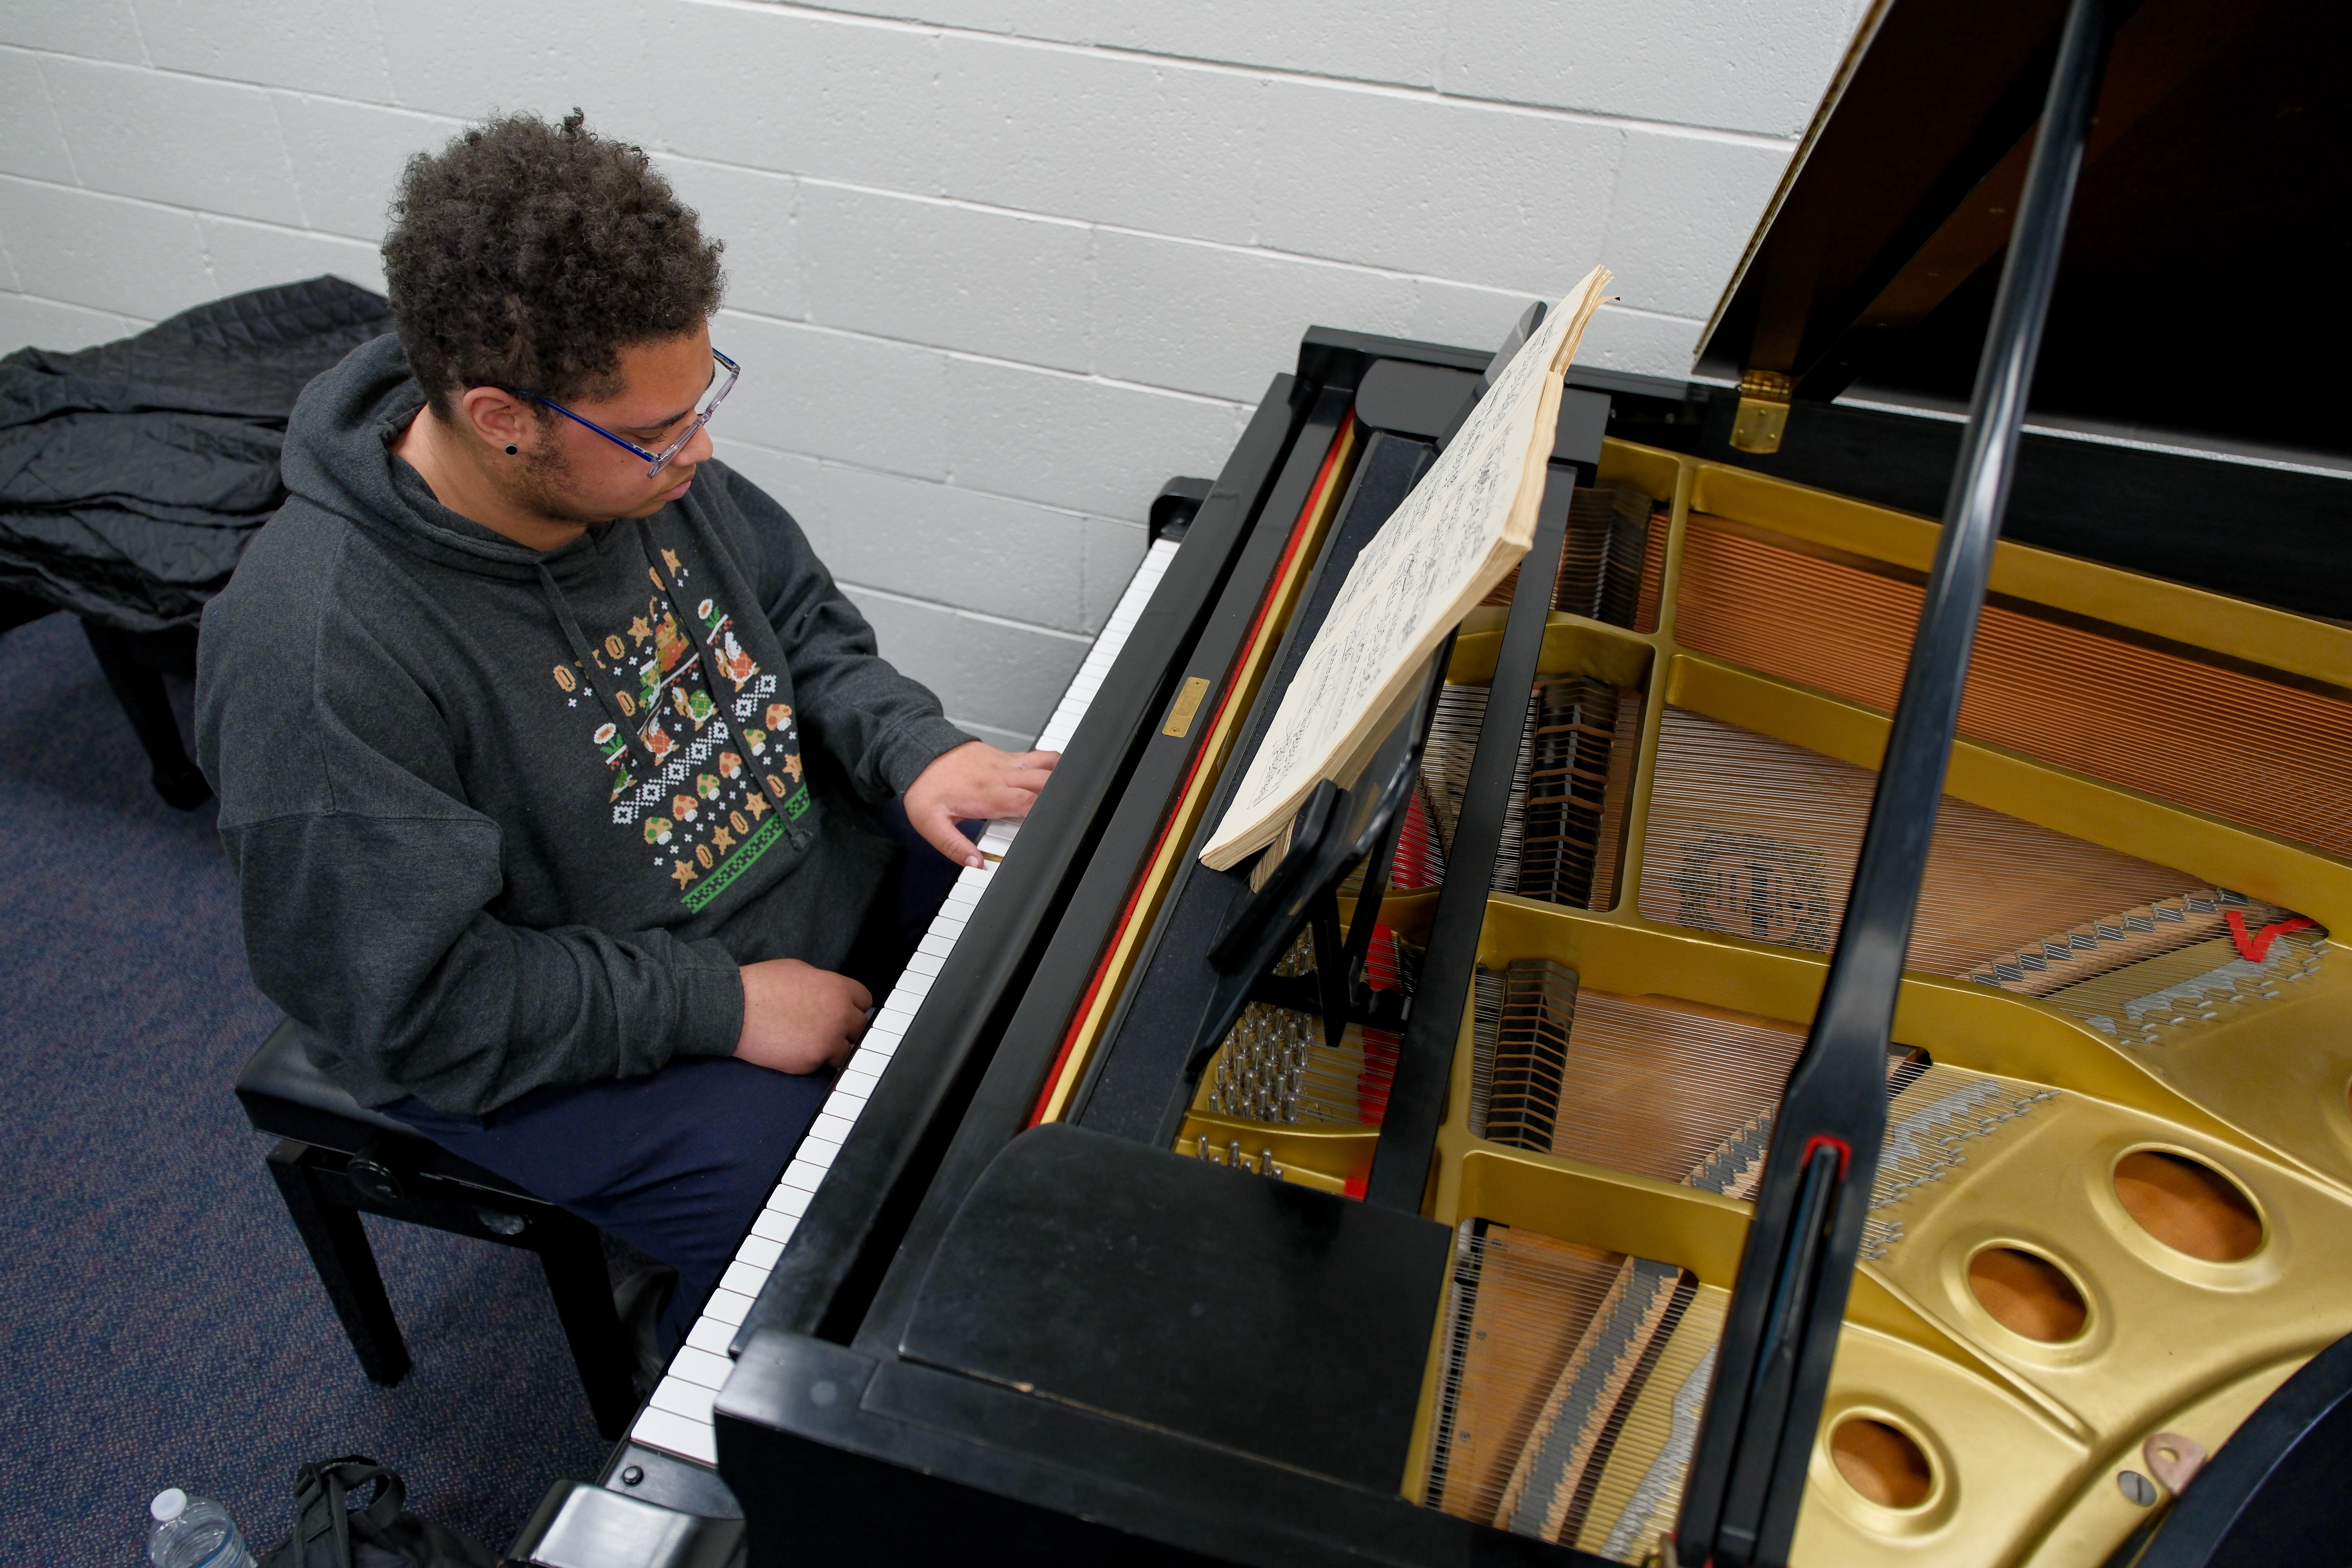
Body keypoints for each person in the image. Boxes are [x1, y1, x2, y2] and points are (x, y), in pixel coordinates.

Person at [194, 110, 1055, 1358]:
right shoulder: (317, 657)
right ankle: (699, 1408)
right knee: (813, 1225)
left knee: (1039, 893)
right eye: (656, 432)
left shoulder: (639, 469)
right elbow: (419, 1004)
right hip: (539, 1025)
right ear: (501, 416)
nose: (696, 452)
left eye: (700, 403)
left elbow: (795, 617)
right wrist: (720, 1005)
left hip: (769, 895)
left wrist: (909, 744)